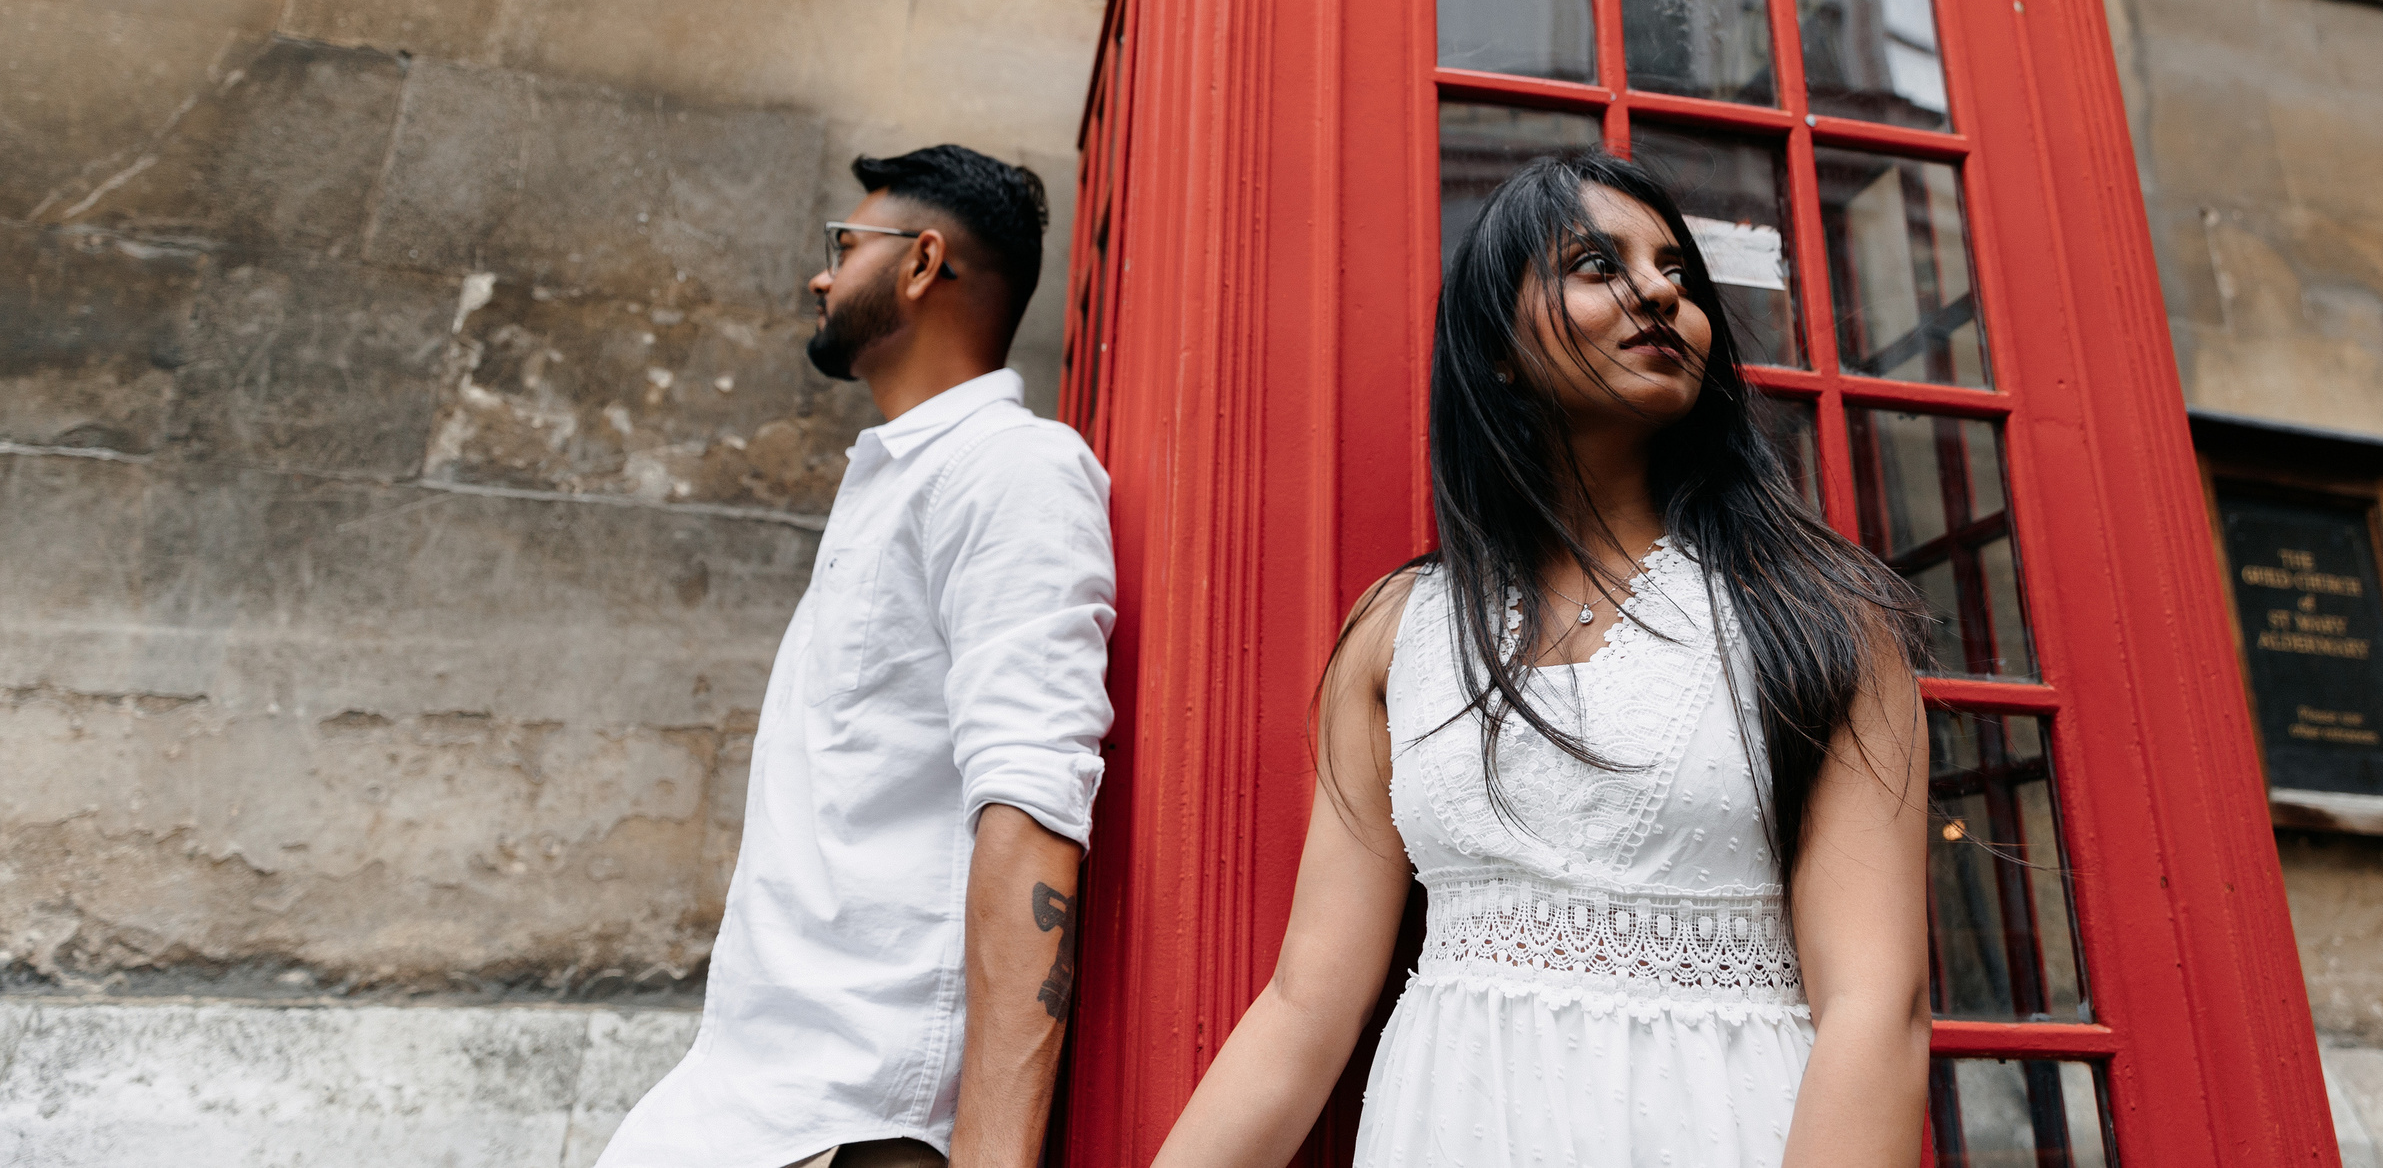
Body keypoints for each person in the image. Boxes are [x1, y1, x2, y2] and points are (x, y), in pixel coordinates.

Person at [1151, 150, 1932, 1168]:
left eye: (1676, 273)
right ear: (1500, 352)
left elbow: (1877, 1008)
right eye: (1596, 265)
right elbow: (1305, 1003)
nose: (1658, 290)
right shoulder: (1401, 631)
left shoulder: (1817, 615)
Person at [600, 145, 1115, 1168]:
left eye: (845, 244)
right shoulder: (893, 477)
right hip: (749, 1093)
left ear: (922, 263)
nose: (821, 273)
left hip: (853, 1118)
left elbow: (1032, 807)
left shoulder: (1012, 470)